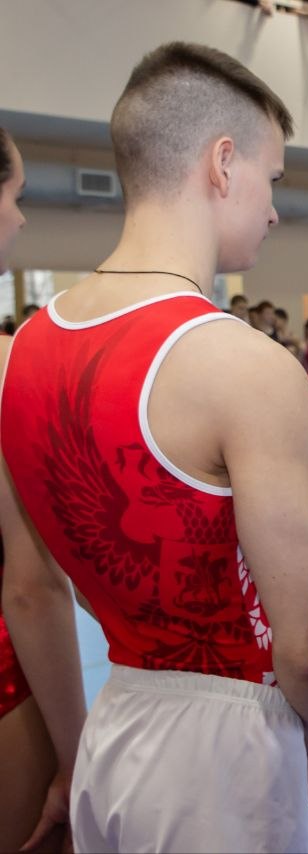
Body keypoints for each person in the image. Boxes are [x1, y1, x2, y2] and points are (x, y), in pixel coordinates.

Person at [0, 43, 308, 852]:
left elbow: (31, 592)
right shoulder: (246, 368)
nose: (274, 210)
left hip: (114, 727)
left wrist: (74, 754)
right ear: (223, 164)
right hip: (229, 755)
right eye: (272, 178)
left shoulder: (20, 353)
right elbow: (301, 647)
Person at [0, 125, 67, 854]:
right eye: (15, 195)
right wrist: (77, 752)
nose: (20, 219)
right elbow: (31, 587)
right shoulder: (6, 367)